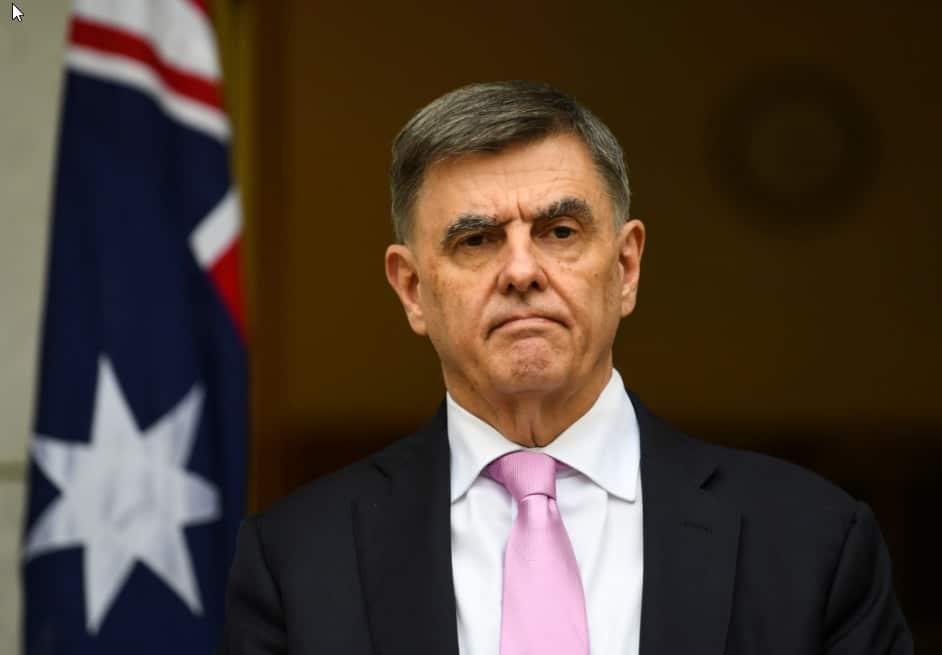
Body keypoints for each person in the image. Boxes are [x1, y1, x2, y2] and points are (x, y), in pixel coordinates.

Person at [217, 81, 912, 655]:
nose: (521, 270)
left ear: (627, 266)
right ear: (411, 289)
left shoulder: (811, 543)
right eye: (477, 239)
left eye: (559, 231)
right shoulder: (297, 562)